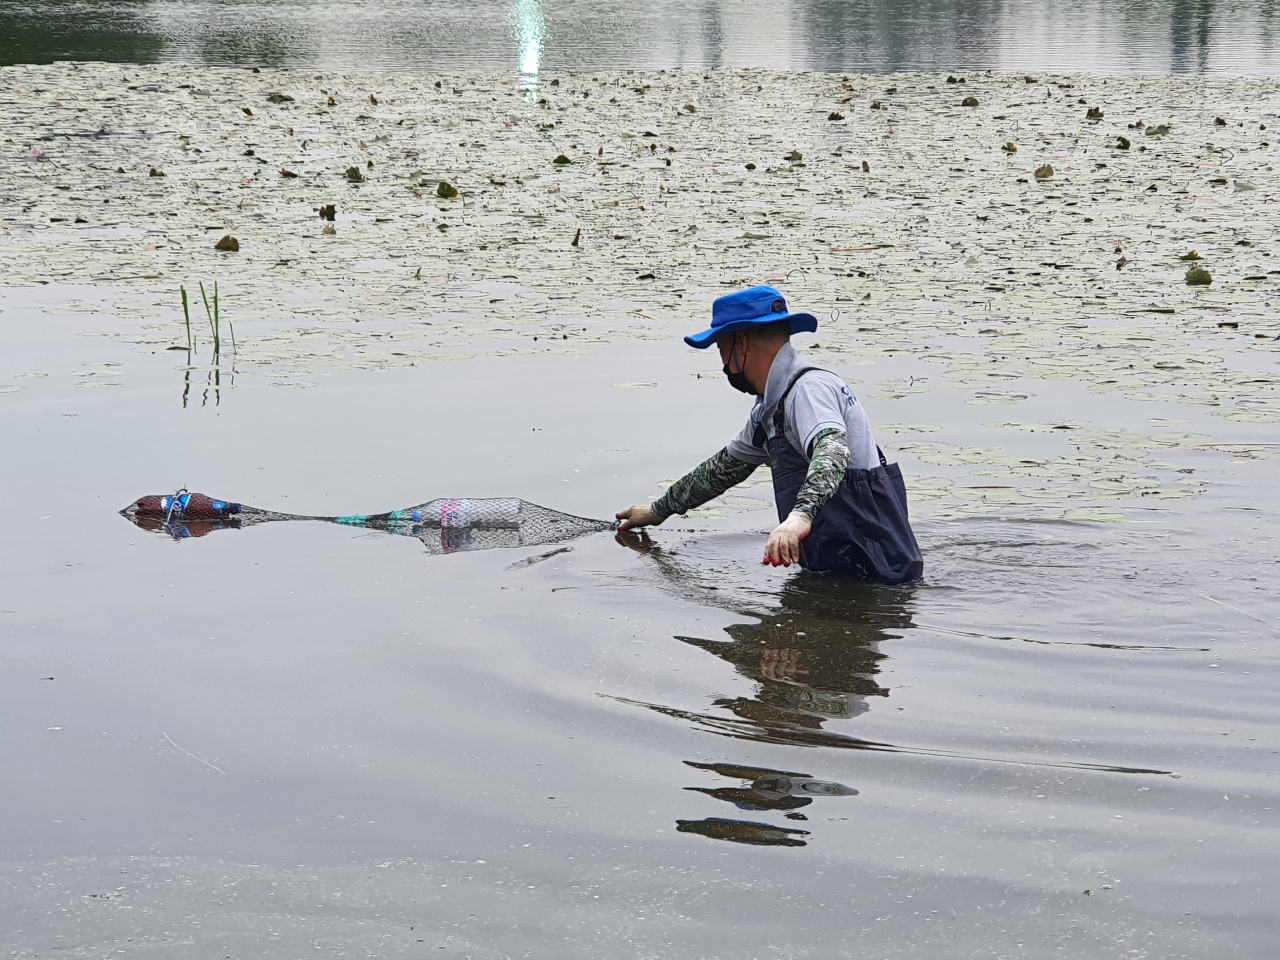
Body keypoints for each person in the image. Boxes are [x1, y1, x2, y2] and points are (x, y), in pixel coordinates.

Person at [615, 285, 923, 584]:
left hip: (880, 572)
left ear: (742, 344)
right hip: (838, 567)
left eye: (722, 348)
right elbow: (724, 469)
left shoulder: (808, 390)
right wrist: (658, 510)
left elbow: (832, 449)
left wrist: (800, 516)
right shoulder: (770, 409)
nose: (723, 363)